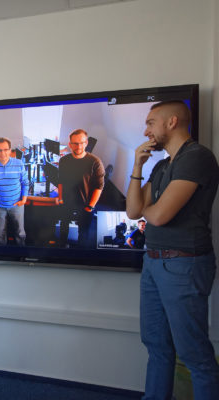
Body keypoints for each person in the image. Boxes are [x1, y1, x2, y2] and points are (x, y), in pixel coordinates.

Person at [126, 100, 219, 399]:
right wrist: (138, 166)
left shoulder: (197, 157)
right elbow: (132, 211)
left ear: (172, 122)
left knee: (195, 356)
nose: (146, 129)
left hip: (183, 265)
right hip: (153, 262)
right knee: (157, 346)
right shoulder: (162, 165)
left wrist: (149, 208)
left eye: (151, 122)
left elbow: (159, 215)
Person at [57, 129, 105, 248]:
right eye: (75, 143)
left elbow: (99, 187)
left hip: (85, 204)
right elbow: (61, 181)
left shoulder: (95, 162)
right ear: (70, 144)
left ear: (86, 143)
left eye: (82, 143)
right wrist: (60, 198)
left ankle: (79, 254)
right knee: (63, 227)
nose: (79, 146)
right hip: (67, 202)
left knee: (83, 233)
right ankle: (61, 250)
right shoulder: (64, 160)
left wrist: (90, 206)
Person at [0, 137, 29, 245]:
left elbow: (25, 183)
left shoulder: (19, 164)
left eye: (6, 149)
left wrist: (24, 199)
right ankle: (4, 253)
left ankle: (21, 253)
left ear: (10, 150)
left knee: (20, 232)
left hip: (16, 205)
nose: (3, 153)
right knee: (0, 233)